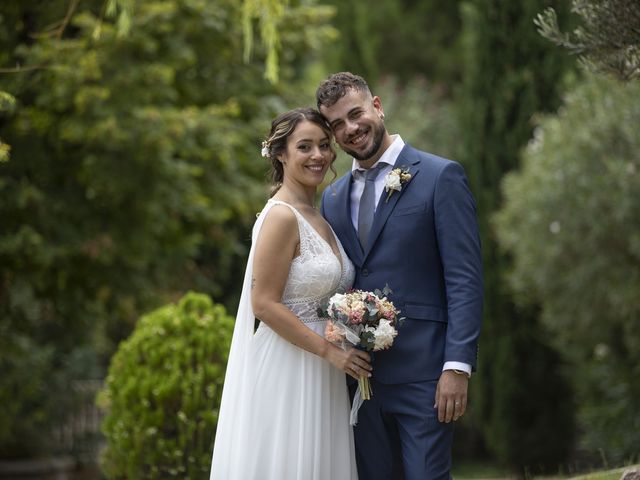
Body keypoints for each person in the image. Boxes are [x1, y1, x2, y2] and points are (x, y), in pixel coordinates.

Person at [316, 72, 483, 480]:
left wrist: (457, 367)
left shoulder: (440, 176)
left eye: (355, 114)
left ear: (377, 106)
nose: (350, 129)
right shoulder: (332, 197)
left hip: (426, 377)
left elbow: (464, 278)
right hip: (360, 384)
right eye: (337, 124)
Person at [209, 107, 371, 480]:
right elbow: (263, 304)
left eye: (324, 146)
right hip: (290, 366)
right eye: (305, 147)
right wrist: (330, 352)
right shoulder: (281, 216)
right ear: (281, 154)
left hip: (324, 369)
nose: (319, 156)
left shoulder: (319, 214)